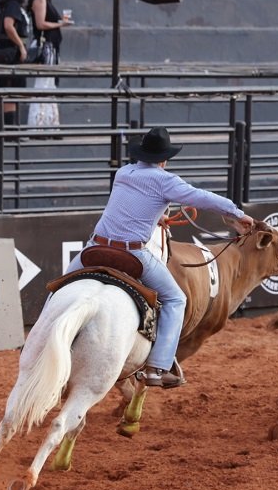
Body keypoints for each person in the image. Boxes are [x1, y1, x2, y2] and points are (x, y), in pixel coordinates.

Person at [67, 127, 254, 388]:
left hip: (94, 248)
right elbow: (202, 197)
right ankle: (157, 367)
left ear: (140, 154)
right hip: (132, 251)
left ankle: (37, 340)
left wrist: (157, 216)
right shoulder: (166, 180)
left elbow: (131, 206)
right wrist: (237, 213)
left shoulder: (123, 173)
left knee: (62, 287)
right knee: (176, 299)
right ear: (164, 159)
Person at [27, 0, 71, 130]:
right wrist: (60, 25)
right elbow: (40, 24)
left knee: (49, 85)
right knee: (44, 85)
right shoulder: (40, 0)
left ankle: (49, 123)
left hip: (51, 46)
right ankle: (38, 124)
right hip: (46, 46)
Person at [0, 0, 32, 127]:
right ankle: (10, 128)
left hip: (3, 51)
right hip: (12, 53)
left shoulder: (5, 7)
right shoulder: (13, 6)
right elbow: (8, 25)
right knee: (13, 92)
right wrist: (20, 45)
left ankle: (2, 128)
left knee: (5, 90)